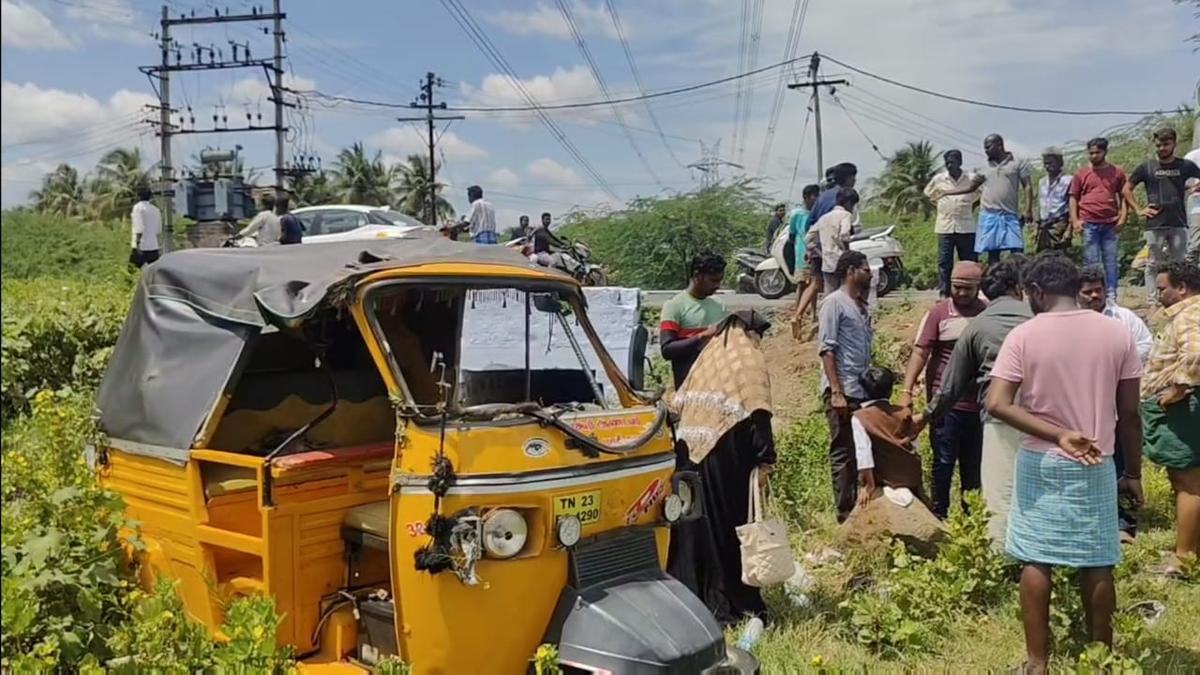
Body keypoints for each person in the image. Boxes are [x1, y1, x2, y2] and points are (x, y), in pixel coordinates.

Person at [986, 254, 1143, 674]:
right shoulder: (1117, 334)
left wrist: (1055, 434)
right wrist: (1133, 474)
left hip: (1040, 460)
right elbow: (1129, 414)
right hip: (1096, 459)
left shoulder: (1024, 336)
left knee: (1036, 559)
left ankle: (1038, 663)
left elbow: (996, 403)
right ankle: (1102, 659)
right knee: (1098, 561)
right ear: (1076, 287)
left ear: (1036, 292)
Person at [668, 311, 775, 625]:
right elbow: (759, 413)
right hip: (725, 455)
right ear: (750, 332)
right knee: (730, 530)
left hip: (690, 454)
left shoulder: (710, 356)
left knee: (696, 531)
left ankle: (696, 599)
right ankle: (733, 603)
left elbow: (677, 403)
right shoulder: (748, 359)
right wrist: (766, 458)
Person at [916, 257, 1032, 545]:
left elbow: (950, 385)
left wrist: (926, 416)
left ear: (985, 291)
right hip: (1045, 419)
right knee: (1033, 488)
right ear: (1019, 288)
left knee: (998, 493)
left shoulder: (976, 328)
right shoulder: (1037, 321)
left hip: (998, 419)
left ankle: (1000, 555)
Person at [900, 261, 987, 519]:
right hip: (944, 406)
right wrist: (907, 390)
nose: (960, 293)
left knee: (973, 466)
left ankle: (971, 520)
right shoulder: (939, 313)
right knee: (943, 463)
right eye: (956, 287)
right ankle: (940, 515)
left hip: (979, 405)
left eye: (967, 289)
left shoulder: (987, 314)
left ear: (978, 288)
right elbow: (921, 352)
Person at [1079, 265, 1153, 540]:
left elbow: (1145, 344)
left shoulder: (1124, 318)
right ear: (1077, 294)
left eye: (1098, 289)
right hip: (1087, 407)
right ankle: (1095, 519)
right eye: (1087, 291)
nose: (1094, 295)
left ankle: (1125, 525)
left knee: (1124, 461)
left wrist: (1119, 360)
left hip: (1120, 399)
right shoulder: (1071, 322)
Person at [1141, 262, 1200, 575]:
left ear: (1182, 288)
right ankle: (1191, 548)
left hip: (1184, 406)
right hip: (1184, 405)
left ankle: (1184, 558)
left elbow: (1195, 354)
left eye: (1162, 288)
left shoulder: (1190, 314)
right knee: (1185, 480)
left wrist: (1178, 387)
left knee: (1188, 482)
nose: (1158, 294)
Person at [818, 250, 875, 522]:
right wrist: (836, 391)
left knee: (861, 451)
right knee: (843, 453)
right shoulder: (834, 303)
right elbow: (827, 349)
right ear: (851, 271)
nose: (871, 273)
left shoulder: (861, 305)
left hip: (861, 391)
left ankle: (862, 511)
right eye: (865, 268)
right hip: (843, 390)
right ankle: (844, 515)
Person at [1123, 127, 1200, 294]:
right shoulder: (1147, 167)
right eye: (1158, 145)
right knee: (1153, 264)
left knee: (1179, 264)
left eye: (1166, 144)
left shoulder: (1185, 165)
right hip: (1155, 224)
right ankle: (1153, 301)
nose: (1162, 148)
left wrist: (1193, 189)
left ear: (1174, 144)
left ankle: (1180, 297)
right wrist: (1139, 209)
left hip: (1178, 222)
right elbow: (1126, 189)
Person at [947, 134, 1033, 264]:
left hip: (1009, 215)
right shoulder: (983, 166)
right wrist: (948, 192)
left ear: (999, 145)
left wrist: (1028, 210)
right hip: (989, 215)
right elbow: (971, 187)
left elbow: (1027, 186)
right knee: (993, 255)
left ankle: (1018, 282)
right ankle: (995, 282)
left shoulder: (1018, 162)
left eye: (988, 147)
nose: (986, 151)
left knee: (1017, 253)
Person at [851, 366, 927, 506]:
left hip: (884, 477)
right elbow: (915, 445)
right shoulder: (904, 413)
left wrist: (869, 485)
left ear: (862, 390)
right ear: (891, 391)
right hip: (910, 476)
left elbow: (864, 454)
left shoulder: (860, 418)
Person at [1070, 138, 1128, 302]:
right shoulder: (1082, 173)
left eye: (1097, 152)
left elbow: (1125, 197)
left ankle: (1111, 296)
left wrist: (1123, 218)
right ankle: (1091, 296)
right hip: (1089, 223)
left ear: (1105, 152)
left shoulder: (1117, 172)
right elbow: (1073, 197)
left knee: (1111, 261)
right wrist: (1075, 220)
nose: (1094, 156)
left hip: (1111, 223)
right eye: (1091, 153)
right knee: (1091, 263)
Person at [659, 254, 728, 389]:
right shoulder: (675, 305)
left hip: (717, 387)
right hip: (689, 389)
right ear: (697, 276)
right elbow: (667, 350)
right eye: (713, 280)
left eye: (720, 281)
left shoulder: (720, 306)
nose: (718, 285)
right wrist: (702, 337)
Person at [923, 149, 980, 297]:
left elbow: (981, 194)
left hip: (966, 225)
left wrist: (971, 206)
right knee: (944, 263)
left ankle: (971, 292)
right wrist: (941, 207)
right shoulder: (938, 179)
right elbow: (928, 194)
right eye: (947, 162)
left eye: (952, 162)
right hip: (945, 226)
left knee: (969, 262)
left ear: (960, 162)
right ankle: (944, 293)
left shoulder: (971, 178)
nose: (949, 165)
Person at [807, 188, 860, 292]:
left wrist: (820, 252)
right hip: (841, 261)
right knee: (843, 292)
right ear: (848, 203)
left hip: (827, 262)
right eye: (853, 205)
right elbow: (844, 235)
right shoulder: (845, 215)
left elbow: (808, 239)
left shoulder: (824, 218)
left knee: (829, 292)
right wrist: (847, 252)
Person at [788, 184, 823, 333]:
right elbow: (792, 234)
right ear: (807, 197)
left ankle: (813, 314)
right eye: (815, 196)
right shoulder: (797, 214)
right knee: (802, 285)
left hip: (815, 253)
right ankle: (798, 314)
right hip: (802, 253)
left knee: (814, 284)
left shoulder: (818, 213)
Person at [1036, 149, 1072, 253]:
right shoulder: (1042, 182)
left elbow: (1072, 205)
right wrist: (1036, 225)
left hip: (1060, 223)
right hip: (1044, 225)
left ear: (1060, 162)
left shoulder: (1069, 180)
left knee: (1060, 257)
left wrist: (1069, 229)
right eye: (1045, 163)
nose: (1047, 166)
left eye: (1050, 163)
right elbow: (1040, 204)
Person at [129, 185, 162, 268]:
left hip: (142, 247)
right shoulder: (156, 209)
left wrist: (137, 246)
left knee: (131, 274)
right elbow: (158, 230)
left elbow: (139, 228)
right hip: (154, 247)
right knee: (154, 274)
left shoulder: (138, 208)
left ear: (138, 196)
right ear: (150, 196)